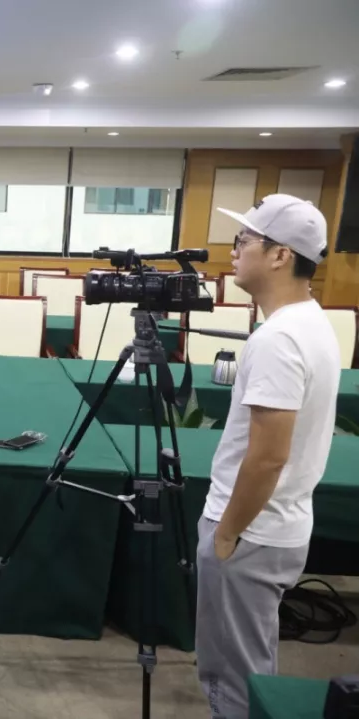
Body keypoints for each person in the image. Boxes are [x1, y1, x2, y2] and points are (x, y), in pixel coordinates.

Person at [197, 194, 340, 718]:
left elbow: (267, 458)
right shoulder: (309, 322)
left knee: (233, 677)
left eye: (245, 240)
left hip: (252, 533)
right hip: (277, 525)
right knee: (250, 666)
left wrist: (226, 534)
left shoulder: (279, 338)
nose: (234, 251)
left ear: (280, 255)